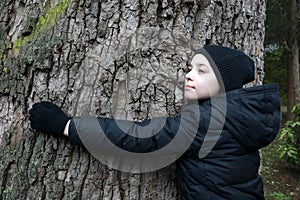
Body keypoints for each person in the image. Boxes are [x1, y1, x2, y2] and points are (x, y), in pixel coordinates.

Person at [29, 45, 281, 200]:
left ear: (225, 83)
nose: (188, 75)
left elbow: (140, 138)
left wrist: (65, 125)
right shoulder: (241, 115)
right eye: (190, 68)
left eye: (202, 71)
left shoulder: (206, 121)